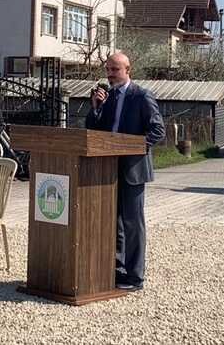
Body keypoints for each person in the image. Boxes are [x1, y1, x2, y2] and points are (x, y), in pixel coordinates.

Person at [85, 52, 165, 292]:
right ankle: (117, 270)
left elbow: (158, 131)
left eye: (115, 70)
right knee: (114, 223)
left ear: (128, 70)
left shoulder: (142, 96)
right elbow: (94, 128)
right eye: (108, 70)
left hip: (132, 170)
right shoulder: (107, 97)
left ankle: (135, 276)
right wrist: (96, 108)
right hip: (109, 168)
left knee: (132, 224)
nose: (110, 75)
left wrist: (132, 148)